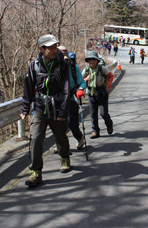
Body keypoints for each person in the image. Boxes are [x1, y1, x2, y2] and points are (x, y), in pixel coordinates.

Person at [21, 35, 71, 187]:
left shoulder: (63, 65)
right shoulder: (34, 65)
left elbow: (66, 89)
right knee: (35, 138)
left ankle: (64, 157)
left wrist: (63, 111)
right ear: (41, 49)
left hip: (57, 106)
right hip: (40, 106)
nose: (54, 50)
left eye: (55, 47)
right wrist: (25, 107)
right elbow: (28, 87)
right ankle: (36, 171)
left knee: (60, 136)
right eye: (50, 48)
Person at [59, 46, 86, 150]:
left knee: (72, 124)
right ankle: (60, 144)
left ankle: (79, 137)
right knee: (58, 125)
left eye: (66, 59)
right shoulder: (52, 67)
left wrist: (80, 89)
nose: (64, 61)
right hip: (58, 100)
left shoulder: (74, 67)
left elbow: (82, 82)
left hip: (71, 98)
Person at [82, 51, 114, 139]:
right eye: (89, 59)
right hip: (91, 93)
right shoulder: (86, 70)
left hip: (102, 93)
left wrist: (108, 86)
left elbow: (111, 76)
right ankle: (95, 131)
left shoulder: (102, 69)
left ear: (97, 60)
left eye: (93, 59)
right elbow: (81, 81)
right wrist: (86, 79)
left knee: (103, 113)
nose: (91, 61)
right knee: (93, 114)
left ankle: (109, 124)